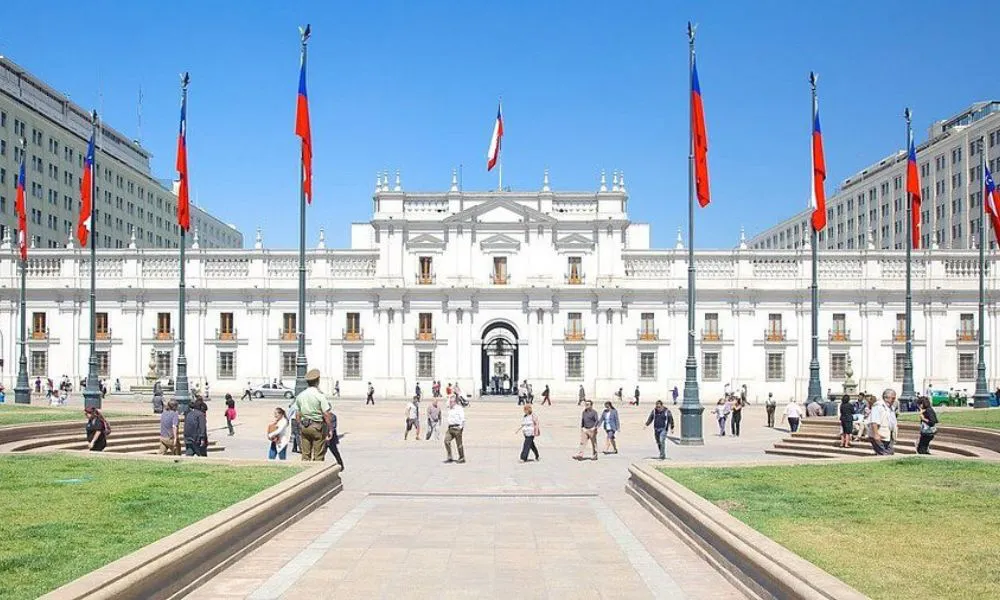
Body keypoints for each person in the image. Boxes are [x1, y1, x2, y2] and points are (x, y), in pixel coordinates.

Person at [295, 369, 333, 461]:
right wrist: (330, 429)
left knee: (305, 455)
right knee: (318, 455)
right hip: (317, 427)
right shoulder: (319, 395)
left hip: (305, 426)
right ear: (318, 381)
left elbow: (297, 414)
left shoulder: (300, 395)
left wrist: (300, 425)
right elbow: (326, 414)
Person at [868, 389, 894, 456]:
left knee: (889, 453)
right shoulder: (878, 406)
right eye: (893, 398)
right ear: (886, 398)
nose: (894, 400)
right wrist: (876, 434)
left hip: (887, 435)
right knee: (883, 454)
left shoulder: (890, 407)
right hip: (879, 435)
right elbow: (874, 421)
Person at [443, 396, 466, 463]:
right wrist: (450, 396)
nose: (450, 403)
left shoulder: (459, 408)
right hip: (450, 428)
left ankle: (462, 458)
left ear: (455, 402)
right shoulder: (450, 408)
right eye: (450, 402)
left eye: (451, 402)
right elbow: (446, 403)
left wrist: (461, 427)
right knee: (446, 441)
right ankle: (450, 457)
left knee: (459, 444)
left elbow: (462, 419)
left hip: (457, 428)